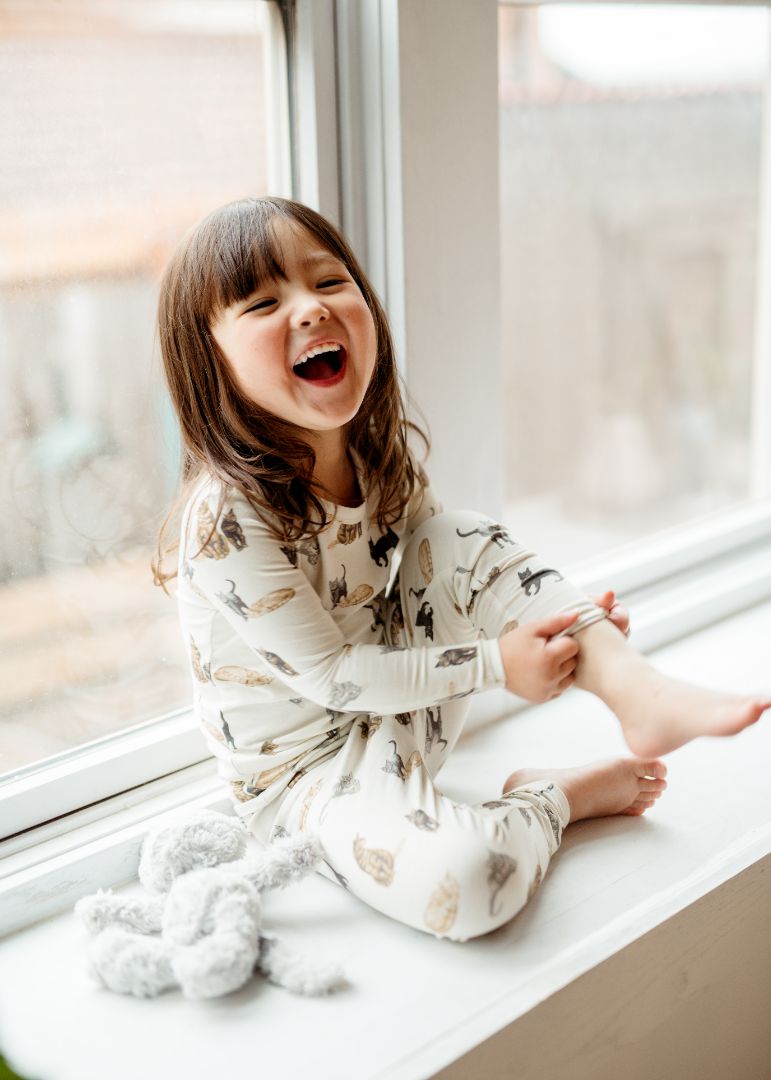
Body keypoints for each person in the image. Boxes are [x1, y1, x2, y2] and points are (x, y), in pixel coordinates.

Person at [153, 197, 769, 941]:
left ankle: (635, 688)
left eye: (329, 281)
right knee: (470, 885)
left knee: (455, 534)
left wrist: (561, 628)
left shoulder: (377, 457)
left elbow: (464, 571)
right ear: (208, 362)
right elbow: (333, 676)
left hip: (399, 712)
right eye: (262, 303)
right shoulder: (225, 519)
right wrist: (497, 665)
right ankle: (551, 799)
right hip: (305, 781)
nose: (310, 308)